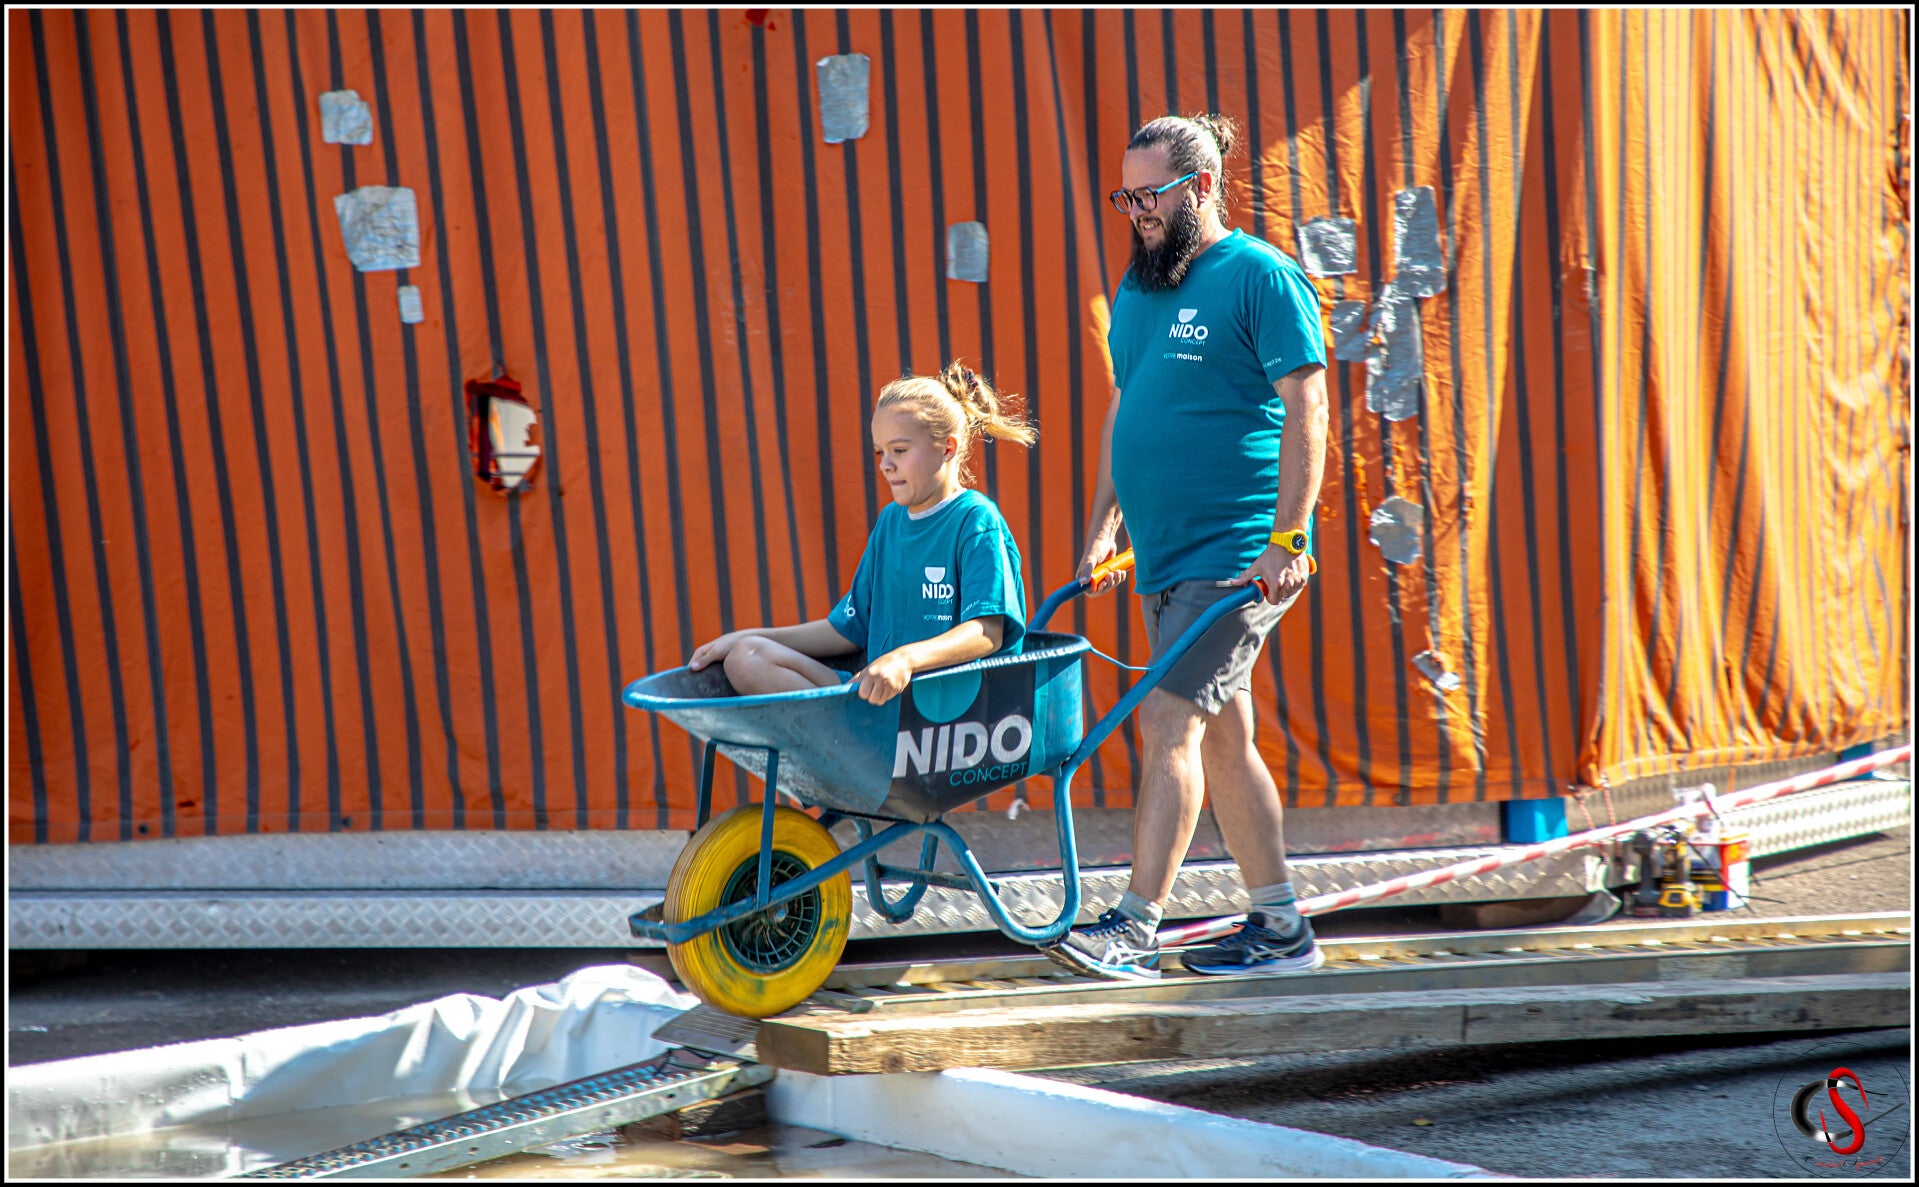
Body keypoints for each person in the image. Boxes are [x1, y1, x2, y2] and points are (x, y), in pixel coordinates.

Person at [1045, 112, 1331, 981]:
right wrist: (1104, 526)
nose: (1136, 210)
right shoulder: (1139, 289)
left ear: (1201, 187)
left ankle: (1134, 926)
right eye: (1126, 195)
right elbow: (1125, 409)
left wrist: (1287, 537)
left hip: (1236, 554)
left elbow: (1308, 406)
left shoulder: (1259, 275)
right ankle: (1280, 928)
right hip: (1164, 558)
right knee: (1222, 738)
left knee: (1167, 718)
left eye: (1151, 194)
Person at [688, 362, 1035, 707]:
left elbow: (988, 633)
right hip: (876, 705)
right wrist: (745, 636)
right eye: (881, 451)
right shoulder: (890, 522)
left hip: (952, 716)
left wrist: (904, 659)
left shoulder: (976, 520)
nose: (885, 464)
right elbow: (848, 628)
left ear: (947, 448)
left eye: (900, 450)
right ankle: (841, 735)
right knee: (745, 656)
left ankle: (839, 737)